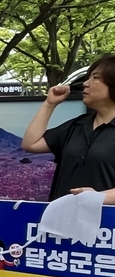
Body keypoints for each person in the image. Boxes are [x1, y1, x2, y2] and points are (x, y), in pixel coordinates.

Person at [22, 54, 115, 202]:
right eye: (88, 77)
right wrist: (49, 104)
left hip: (106, 223)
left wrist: (99, 197)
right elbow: (30, 144)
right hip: (62, 220)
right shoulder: (77, 125)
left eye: (95, 77)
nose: (86, 83)